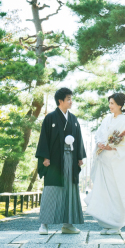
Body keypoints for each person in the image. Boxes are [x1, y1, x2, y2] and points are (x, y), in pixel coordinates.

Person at [35, 87, 87, 235]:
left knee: (70, 190)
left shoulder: (73, 119)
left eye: (71, 98)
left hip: (70, 159)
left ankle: (68, 224)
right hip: (54, 160)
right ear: (60, 101)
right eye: (68, 99)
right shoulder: (50, 118)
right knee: (52, 190)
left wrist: (79, 157)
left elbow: (79, 139)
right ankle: (44, 224)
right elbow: (44, 139)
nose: (71, 101)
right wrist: (45, 157)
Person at [84, 92, 125, 235]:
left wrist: (113, 147)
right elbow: (99, 134)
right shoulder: (107, 119)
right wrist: (100, 143)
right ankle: (107, 223)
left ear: (120, 105)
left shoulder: (124, 120)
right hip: (104, 161)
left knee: (115, 192)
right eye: (109, 103)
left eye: (112, 103)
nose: (110, 106)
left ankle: (116, 224)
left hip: (116, 162)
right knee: (103, 192)